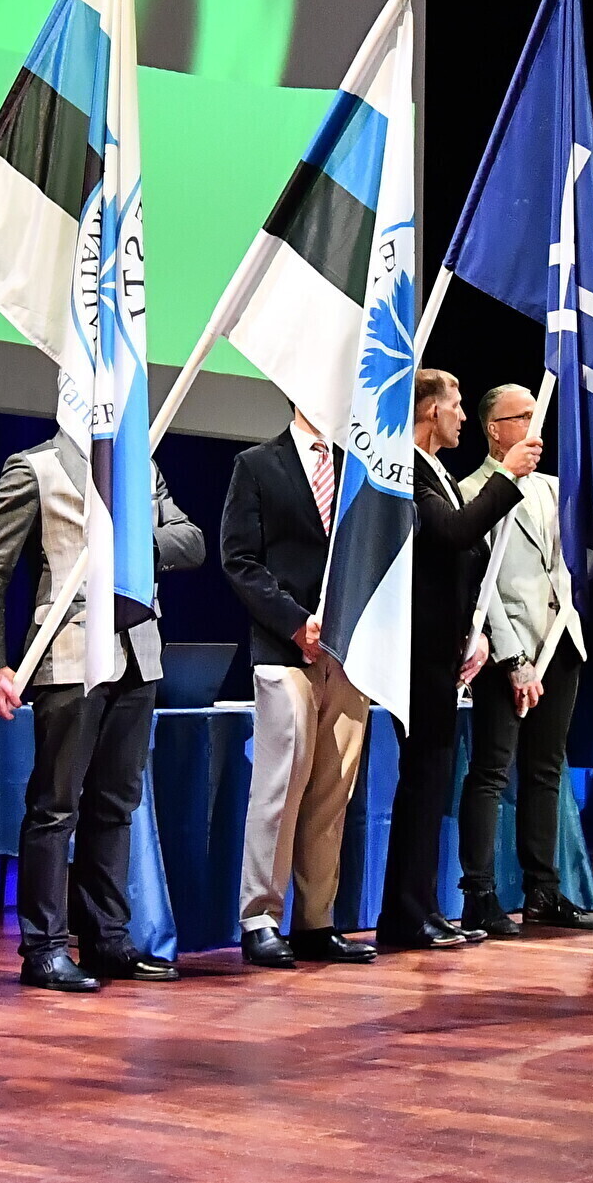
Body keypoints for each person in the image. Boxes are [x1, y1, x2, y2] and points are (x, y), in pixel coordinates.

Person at [0, 433, 206, 990]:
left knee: (116, 805)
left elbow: (190, 540)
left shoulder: (139, 466)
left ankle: (107, 939)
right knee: (55, 807)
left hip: (138, 654)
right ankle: (44, 947)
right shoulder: (35, 467)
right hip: (69, 654)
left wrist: (130, 542)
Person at [381, 371, 538, 953]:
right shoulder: (406, 469)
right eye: (455, 405)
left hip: (445, 650)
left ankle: (421, 907)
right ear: (429, 411)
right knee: (422, 782)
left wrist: (478, 632)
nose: (463, 417)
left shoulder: (440, 472)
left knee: (433, 783)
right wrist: (506, 476)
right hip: (417, 650)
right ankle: (405, 913)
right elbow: (449, 533)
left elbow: (467, 555)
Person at [219, 412, 375, 969]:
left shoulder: (361, 469)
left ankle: (316, 921)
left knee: (333, 791)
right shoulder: (257, 465)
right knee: (280, 788)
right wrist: (293, 622)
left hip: (350, 654)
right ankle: (259, 918)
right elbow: (239, 560)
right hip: (286, 649)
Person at [458, 383, 587, 936]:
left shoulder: (556, 489)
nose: (536, 427)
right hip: (508, 648)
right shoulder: (472, 492)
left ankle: (543, 890)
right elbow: (484, 589)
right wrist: (514, 659)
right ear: (495, 429)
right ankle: (479, 892)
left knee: (545, 770)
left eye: (538, 416)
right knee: (491, 770)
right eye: (523, 417)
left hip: (560, 643)